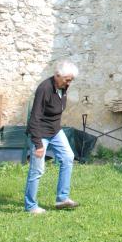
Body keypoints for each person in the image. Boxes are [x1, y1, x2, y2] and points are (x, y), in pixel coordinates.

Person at [24, 60, 79, 214]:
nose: (69, 82)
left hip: (55, 131)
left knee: (68, 157)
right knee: (37, 169)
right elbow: (34, 117)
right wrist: (38, 145)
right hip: (40, 132)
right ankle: (30, 206)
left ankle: (62, 199)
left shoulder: (63, 86)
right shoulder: (44, 88)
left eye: (71, 80)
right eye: (67, 79)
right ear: (57, 75)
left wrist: (55, 131)